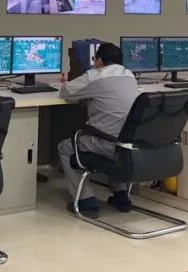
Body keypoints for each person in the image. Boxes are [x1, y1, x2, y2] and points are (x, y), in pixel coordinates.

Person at [57, 42, 139, 219]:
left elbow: (66, 92)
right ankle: (121, 196)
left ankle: (86, 201)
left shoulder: (95, 75)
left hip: (106, 143)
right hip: (129, 144)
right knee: (119, 141)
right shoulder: (130, 75)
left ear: (99, 61)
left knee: (65, 147)